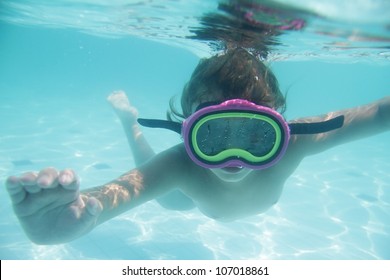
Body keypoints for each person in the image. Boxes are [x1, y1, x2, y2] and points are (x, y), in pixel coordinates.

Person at [5, 48, 390, 245]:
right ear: (187, 130)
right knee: (166, 193)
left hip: (204, 194)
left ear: (281, 130)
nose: (233, 158)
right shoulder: (180, 165)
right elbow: (120, 191)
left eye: (256, 137)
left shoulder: (298, 144)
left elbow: (376, 112)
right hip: (189, 195)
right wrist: (80, 215)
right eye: (213, 137)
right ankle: (129, 122)